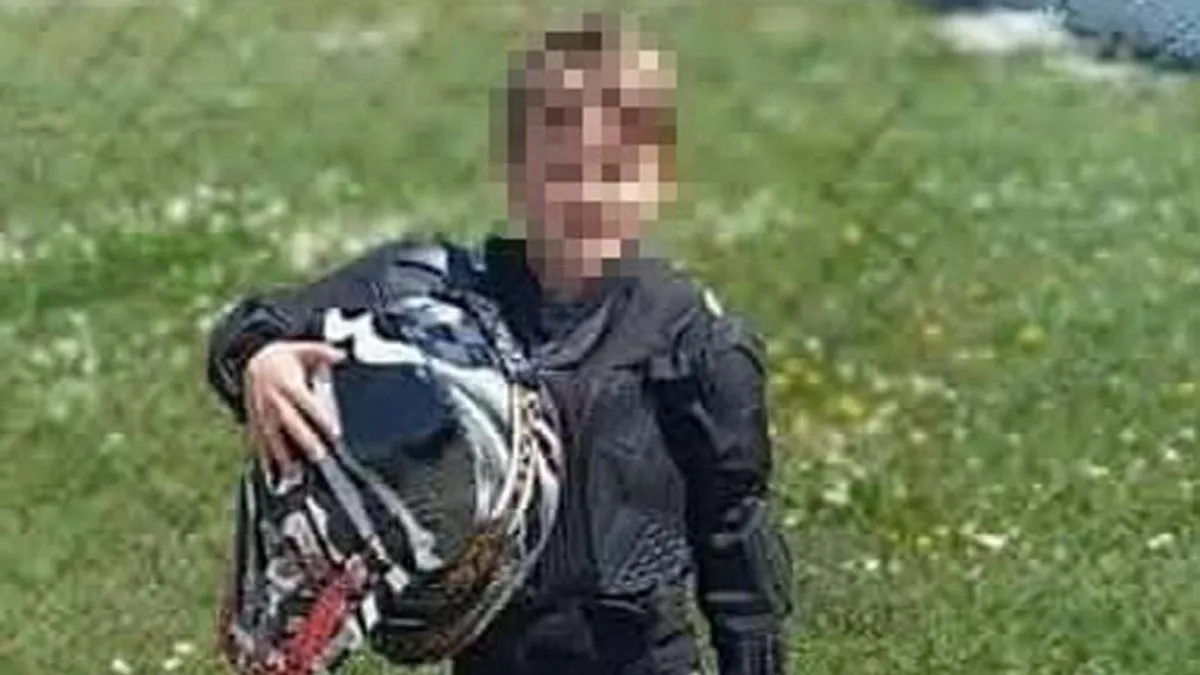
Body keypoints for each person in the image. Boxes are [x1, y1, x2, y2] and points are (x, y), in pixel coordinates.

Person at [205, 11, 793, 675]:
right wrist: (260, 358)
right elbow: (255, 323)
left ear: (660, 179)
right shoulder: (439, 295)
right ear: (514, 171)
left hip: (641, 659)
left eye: (614, 169)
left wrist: (754, 659)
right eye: (563, 168)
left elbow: (734, 528)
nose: (588, 194)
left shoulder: (687, 335)